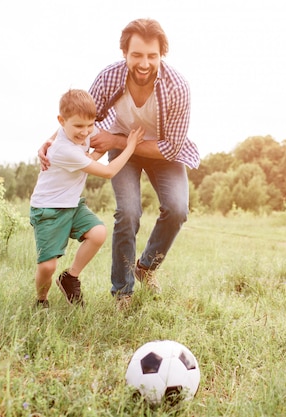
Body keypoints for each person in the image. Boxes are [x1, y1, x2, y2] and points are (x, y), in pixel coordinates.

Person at [39, 18, 199, 310]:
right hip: (123, 147)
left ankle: (147, 266)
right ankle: (123, 292)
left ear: (162, 54)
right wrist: (52, 141)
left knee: (177, 209)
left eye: (152, 56)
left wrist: (116, 142)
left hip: (161, 152)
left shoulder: (178, 88)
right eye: (136, 54)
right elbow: (80, 114)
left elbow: (171, 147)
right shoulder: (109, 77)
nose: (144, 63)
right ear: (125, 52)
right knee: (127, 212)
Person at [30, 89, 144, 308]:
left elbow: (94, 150)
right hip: (48, 210)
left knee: (98, 232)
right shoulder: (63, 149)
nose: (85, 133)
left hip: (71, 205)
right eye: (79, 127)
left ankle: (70, 278)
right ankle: (41, 301)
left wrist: (94, 152)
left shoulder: (79, 132)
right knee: (47, 267)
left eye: (90, 125)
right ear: (61, 121)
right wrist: (130, 146)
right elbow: (109, 171)